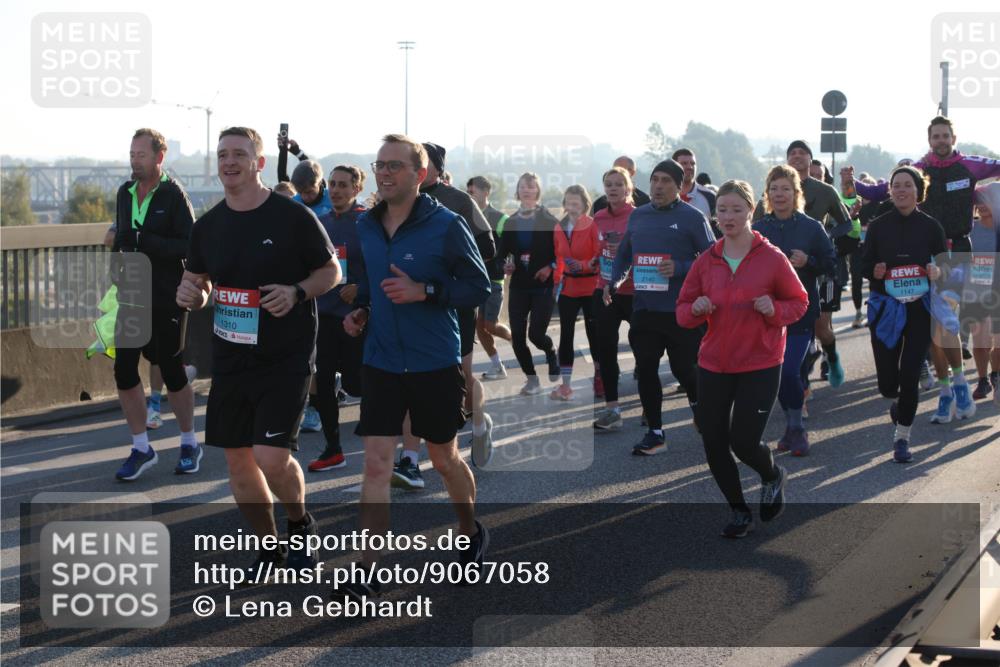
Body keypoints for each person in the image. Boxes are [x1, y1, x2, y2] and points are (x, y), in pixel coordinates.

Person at [177, 126, 341, 573]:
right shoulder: (208, 226)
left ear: (259, 163)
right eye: (222, 154)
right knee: (238, 463)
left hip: (285, 355)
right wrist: (194, 294)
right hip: (231, 355)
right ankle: (268, 547)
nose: (229, 162)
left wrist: (297, 291)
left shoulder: (290, 217)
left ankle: (299, 522)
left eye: (239, 154)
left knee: (271, 457)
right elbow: (201, 282)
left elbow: (331, 271)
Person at [335, 134, 490, 601]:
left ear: (419, 175)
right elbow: (371, 283)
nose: (384, 173)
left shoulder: (446, 225)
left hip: (434, 361)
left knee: (444, 458)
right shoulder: (365, 226)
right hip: (381, 360)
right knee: (377, 466)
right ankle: (367, 569)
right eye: (379, 165)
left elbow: (477, 286)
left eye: (394, 166)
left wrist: (427, 292)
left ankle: (469, 529)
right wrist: (362, 309)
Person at [677, 180, 807, 537]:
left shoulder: (772, 258)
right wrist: (697, 307)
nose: (729, 217)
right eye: (722, 210)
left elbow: (799, 302)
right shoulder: (707, 261)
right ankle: (738, 511)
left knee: (744, 442)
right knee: (714, 441)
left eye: (736, 210)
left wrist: (773, 309)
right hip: (715, 363)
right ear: (715, 215)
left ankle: (771, 474)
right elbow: (682, 312)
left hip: (760, 363)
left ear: (751, 211)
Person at [851, 117, 1000, 423]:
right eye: (936, 136)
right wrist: (854, 185)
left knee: (944, 324)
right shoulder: (919, 168)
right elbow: (883, 190)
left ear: (953, 137)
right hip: (923, 254)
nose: (941, 140)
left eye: (946, 135)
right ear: (929, 139)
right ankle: (947, 391)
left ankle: (959, 383)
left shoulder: (970, 166)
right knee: (932, 333)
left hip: (955, 252)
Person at [390, 142, 496, 489]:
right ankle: (408, 461)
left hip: (451, 304)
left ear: (430, 168)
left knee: (461, 377)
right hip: (409, 306)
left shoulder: (457, 201)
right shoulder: (395, 201)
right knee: (409, 379)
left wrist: (450, 277)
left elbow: (487, 247)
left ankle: (479, 423)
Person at [111, 128, 201, 481]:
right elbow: (121, 236)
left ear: (159, 157)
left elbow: (189, 246)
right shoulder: (124, 192)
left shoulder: (174, 195)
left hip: (167, 294)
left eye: (141, 155)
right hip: (131, 294)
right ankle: (141, 447)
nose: (134, 160)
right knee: (123, 370)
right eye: (132, 154)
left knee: (172, 370)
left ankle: (189, 442)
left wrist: (144, 240)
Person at [609, 159, 715, 455]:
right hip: (645, 308)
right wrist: (614, 282)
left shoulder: (693, 217)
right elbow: (624, 255)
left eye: (666, 180)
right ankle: (655, 432)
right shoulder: (639, 216)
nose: (657, 185)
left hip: (681, 310)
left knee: (685, 370)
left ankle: (698, 407)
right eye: (655, 179)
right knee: (645, 368)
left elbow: (712, 259)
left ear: (680, 187)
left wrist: (680, 266)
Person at [861, 166, 947, 463]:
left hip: (920, 309)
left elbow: (948, 266)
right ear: (890, 190)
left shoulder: (931, 226)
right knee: (888, 385)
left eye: (907, 185)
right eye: (896, 185)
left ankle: (902, 438)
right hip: (886, 307)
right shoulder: (879, 226)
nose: (900, 190)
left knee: (910, 373)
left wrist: (938, 270)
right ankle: (898, 406)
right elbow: (862, 265)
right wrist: (874, 270)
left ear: (917, 191)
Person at [753, 166, 836, 456]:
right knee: (776, 374)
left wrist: (809, 261)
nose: (779, 194)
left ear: (796, 194)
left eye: (785, 189)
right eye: (774, 189)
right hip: (767, 312)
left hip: (801, 311)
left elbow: (830, 263)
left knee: (788, 370)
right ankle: (792, 426)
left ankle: (798, 427)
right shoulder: (760, 230)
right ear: (767, 194)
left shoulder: (812, 227)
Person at [759, 141, 852, 390]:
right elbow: (754, 234)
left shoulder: (824, 191)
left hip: (818, 269)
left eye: (802, 153)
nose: (797, 156)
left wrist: (825, 238)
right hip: (783, 279)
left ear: (811, 160)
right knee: (796, 334)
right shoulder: (770, 197)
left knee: (821, 328)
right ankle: (802, 388)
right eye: (792, 153)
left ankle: (831, 358)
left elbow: (847, 224)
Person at [308, 165, 369, 472]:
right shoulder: (320, 222)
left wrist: (361, 289)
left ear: (357, 189)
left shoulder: (367, 222)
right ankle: (333, 448)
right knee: (323, 379)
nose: (335, 190)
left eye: (343, 185)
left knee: (358, 384)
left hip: (357, 318)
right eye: (332, 184)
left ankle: (382, 419)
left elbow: (383, 266)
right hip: (326, 315)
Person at [497, 172, 561, 396]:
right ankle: (532, 380)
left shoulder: (549, 220)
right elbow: (501, 254)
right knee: (517, 338)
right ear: (518, 191)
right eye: (523, 186)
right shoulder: (511, 221)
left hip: (542, 285)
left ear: (538, 191)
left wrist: (550, 267)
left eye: (531, 186)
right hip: (519, 285)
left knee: (536, 335)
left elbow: (562, 252)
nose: (526, 189)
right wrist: (505, 267)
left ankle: (551, 350)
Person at [592, 166, 638, 429]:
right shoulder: (597, 216)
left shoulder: (638, 216)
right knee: (606, 349)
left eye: (618, 184)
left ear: (628, 189)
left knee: (644, 349)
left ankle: (648, 405)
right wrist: (599, 251)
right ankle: (613, 410)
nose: (612, 188)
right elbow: (595, 248)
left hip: (634, 290)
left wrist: (624, 250)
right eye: (608, 184)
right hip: (606, 288)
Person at [551, 185, 600, 401]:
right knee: (566, 336)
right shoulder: (559, 227)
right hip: (568, 288)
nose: (572, 206)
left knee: (594, 334)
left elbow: (598, 257)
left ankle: (600, 377)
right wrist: (556, 282)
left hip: (591, 287)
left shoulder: (592, 225)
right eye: (568, 201)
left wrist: (583, 266)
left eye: (576, 202)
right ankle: (566, 385)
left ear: (584, 204)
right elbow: (559, 259)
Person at [467, 175, 513, 380]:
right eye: (467, 192)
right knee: (480, 328)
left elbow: (512, 246)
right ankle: (498, 367)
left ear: (486, 192)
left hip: (494, 279)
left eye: (472, 191)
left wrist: (510, 262)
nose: (470, 196)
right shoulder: (467, 216)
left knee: (490, 325)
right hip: (475, 280)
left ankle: (518, 341)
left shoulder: (500, 218)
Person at [964, 183, 1000, 401]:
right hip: (976, 291)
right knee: (980, 343)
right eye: (979, 202)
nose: (982, 206)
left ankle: (995, 376)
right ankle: (982, 380)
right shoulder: (970, 230)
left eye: (988, 201)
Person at [672, 148, 717, 232]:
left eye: (693, 163)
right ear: (673, 166)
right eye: (684, 163)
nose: (689, 167)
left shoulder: (710, 197)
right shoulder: (664, 198)